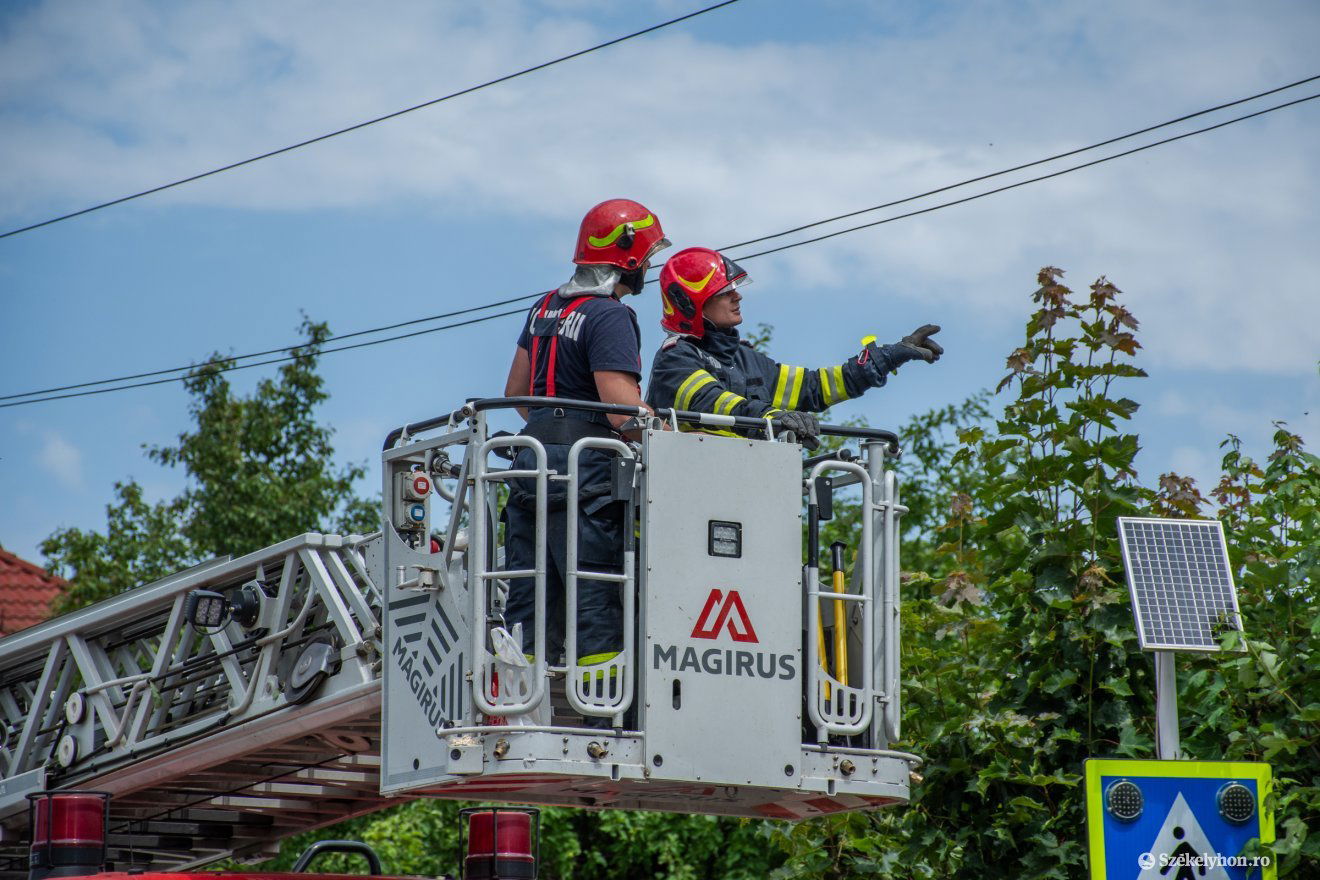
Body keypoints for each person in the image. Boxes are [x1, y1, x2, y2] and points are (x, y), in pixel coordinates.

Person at [500, 198, 668, 724]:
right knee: (596, 598)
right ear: (627, 258)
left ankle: (512, 708)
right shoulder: (610, 315)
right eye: (647, 256)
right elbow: (620, 406)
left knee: (527, 601)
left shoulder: (544, 307)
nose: (649, 267)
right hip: (587, 472)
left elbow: (518, 393)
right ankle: (605, 719)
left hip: (530, 467)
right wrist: (668, 434)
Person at [646, 247, 942, 444]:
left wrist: (889, 356)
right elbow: (715, 403)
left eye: (735, 290)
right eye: (726, 292)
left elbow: (813, 387)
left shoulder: (745, 359)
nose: (738, 297)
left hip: (745, 497)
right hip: (683, 501)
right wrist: (772, 418)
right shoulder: (677, 359)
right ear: (690, 304)